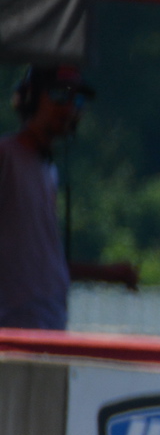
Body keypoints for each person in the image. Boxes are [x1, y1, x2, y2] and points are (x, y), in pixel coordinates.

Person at [0, 65, 134, 330]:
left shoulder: (47, 170)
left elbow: (40, 262)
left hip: (47, 326)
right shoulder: (6, 157)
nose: (70, 107)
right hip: (13, 330)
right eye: (60, 95)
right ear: (30, 98)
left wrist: (105, 274)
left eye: (78, 99)